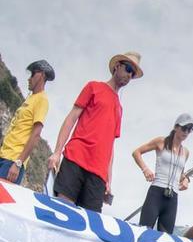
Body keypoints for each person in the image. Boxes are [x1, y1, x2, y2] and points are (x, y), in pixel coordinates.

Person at [47, 51, 143, 212]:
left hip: (98, 174)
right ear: (117, 66)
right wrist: (57, 152)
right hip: (76, 158)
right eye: (128, 69)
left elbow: (110, 145)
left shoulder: (119, 108)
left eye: (133, 74)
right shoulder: (94, 87)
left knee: (88, 221)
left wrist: (109, 180)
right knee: (62, 211)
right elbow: (71, 118)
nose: (129, 75)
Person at [132, 114, 193, 233]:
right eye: (184, 128)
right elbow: (136, 152)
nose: (186, 132)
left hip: (172, 197)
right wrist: (145, 169)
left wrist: (186, 179)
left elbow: (179, 174)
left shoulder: (185, 152)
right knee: (144, 232)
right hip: (156, 192)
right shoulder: (161, 141)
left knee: (166, 238)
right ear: (176, 127)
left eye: (190, 129)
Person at [0, 60, 54, 184]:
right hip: (4, 155)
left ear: (42, 75)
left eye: (32, 74)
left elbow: (36, 134)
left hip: (13, 161)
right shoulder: (30, 99)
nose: (29, 79)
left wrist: (18, 163)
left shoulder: (42, 100)